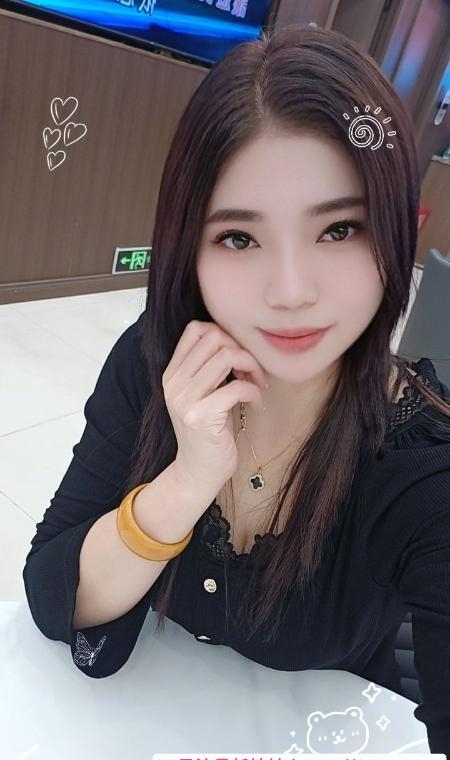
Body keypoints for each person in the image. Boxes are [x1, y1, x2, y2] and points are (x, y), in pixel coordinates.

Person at [23, 24, 450, 754]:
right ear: (189, 250)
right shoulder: (157, 364)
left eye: (339, 230)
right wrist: (188, 479)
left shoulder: (423, 470)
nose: (290, 292)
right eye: (239, 238)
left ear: (394, 231)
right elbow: (53, 593)